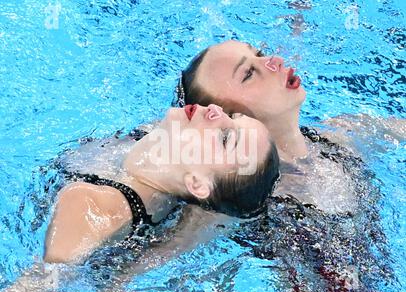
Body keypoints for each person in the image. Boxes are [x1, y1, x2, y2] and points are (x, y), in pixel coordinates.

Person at [175, 40, 404, 292]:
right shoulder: (243, 196)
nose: (274, 61)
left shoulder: (344, 136)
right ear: (227, 118)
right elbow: (154, 262)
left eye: (259, 54)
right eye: (249, 73)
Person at [44, 103, 280, 264]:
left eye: (226, 138)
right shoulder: (178, 205)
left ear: (197, 183)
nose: (216, 110)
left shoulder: (92, 206)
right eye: (233, 114)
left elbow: (37, 287)